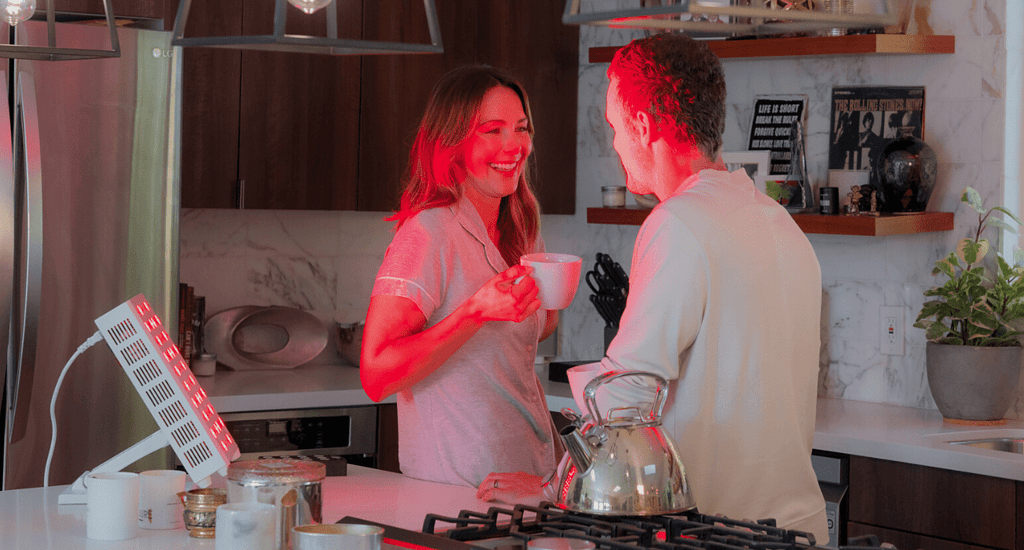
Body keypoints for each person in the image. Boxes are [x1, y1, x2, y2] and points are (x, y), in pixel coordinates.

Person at [596, 33, 829, 542]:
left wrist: (550, 479)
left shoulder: (677, 222)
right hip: (798, 532)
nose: (614, 143)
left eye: (614, 127)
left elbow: (624, 400)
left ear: (642, 124)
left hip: (716, 532)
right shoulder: (779, 223)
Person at [359, 65, 562, 496]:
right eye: (491, 130)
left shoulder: (521, 228)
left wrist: (548, 306)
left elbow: (522, 335)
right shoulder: (429, 232)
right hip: (457, 494)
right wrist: (474, 312)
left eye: (521, 129)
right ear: (452, 143)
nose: (513, 146)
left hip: (530, 482)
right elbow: (376, 373)